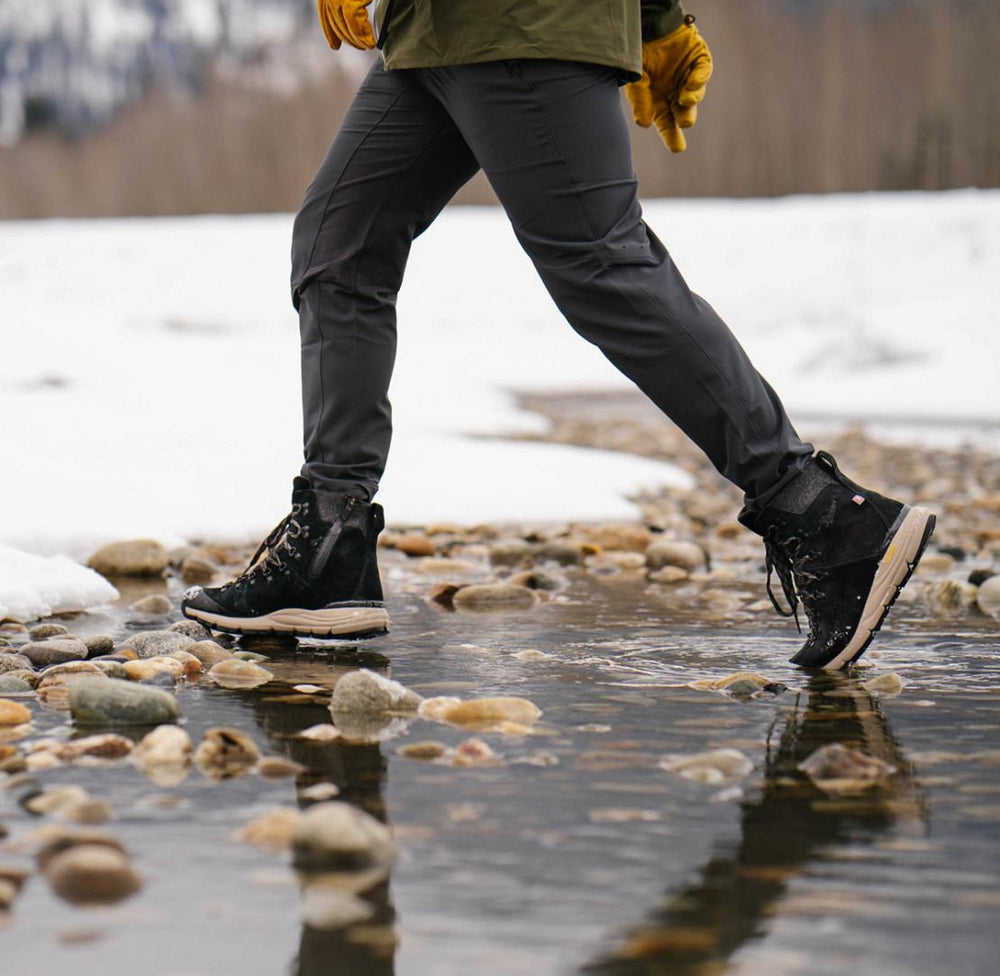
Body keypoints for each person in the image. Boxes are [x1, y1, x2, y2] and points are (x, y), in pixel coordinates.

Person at [182, 0, 936, 670]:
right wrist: (656, 20)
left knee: (601, 267)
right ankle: (329, 543)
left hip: (521, 23)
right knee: (337, 246)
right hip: (432, 32)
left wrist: (654, 21)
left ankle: (822, 514)